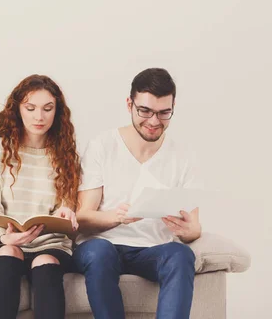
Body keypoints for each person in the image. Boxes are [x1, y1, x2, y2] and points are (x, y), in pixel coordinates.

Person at [72, 68, 202, 319]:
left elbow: (194, 227)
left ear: (173, 107)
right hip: (102, 245)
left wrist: (189, 232)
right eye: (145, 111)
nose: (154, 121)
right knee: (100, 252)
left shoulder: (183, 156)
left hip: (152, 249)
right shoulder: (102, 145)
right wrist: (115, 217)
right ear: (129, 104)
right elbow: (83, 218)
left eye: (164, 113)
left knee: (181, 254)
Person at [0, 74, 82, 319]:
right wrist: (5, 238)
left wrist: (67, 212)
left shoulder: (65, 156)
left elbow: (65, 205)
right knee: (9, 253)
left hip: (50, 244)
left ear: (57, 111)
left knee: (45, 261)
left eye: (47, 109)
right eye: (30, 108)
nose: (39, 117)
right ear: (17, 110)